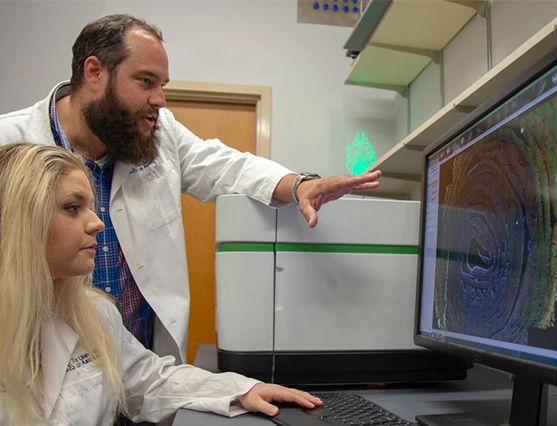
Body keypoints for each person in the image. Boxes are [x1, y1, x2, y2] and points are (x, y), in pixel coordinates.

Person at [0, 14, 381, 366]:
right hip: (44, 377)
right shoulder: (10, 143)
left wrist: (300, 185)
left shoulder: (158, 133)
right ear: (94, 72)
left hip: (144, 375)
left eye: (162, 86)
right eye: (145, 81)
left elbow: (225, 166)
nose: (159, 100)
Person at [0, 142, 323, 426]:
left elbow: (148, 381)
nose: (97, 222)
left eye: (90, 206)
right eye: (73, 208)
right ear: (19, 218)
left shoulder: (93, 312)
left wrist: (242, 390)